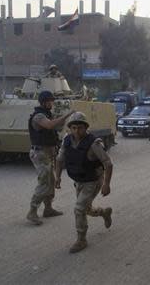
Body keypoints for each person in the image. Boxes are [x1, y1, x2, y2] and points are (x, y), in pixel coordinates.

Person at [55, 112, 113, 253]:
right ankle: (104, 212)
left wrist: (106, 184)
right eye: (73, 127)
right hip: (79, 180)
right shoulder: (67, 140)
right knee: (86, 209)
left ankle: (81, 240)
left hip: (93, 181)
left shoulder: (93, 143)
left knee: (79, 209)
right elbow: (59, 159)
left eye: (80, 128)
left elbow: (108, 163)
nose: (76, 131)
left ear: (85, 128)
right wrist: (57, 177)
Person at [26, 90, 73, 225]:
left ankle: (48, 208)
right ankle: (32, 211)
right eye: (50, 101)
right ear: (44, 102)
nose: (52, 103)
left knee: (50, 181)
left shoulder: (47, 114)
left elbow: (55, 128)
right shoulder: (38, 116)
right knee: (44, 182)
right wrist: (67, 114)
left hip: (47, 153)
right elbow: (50, 125)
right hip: (40, 153)